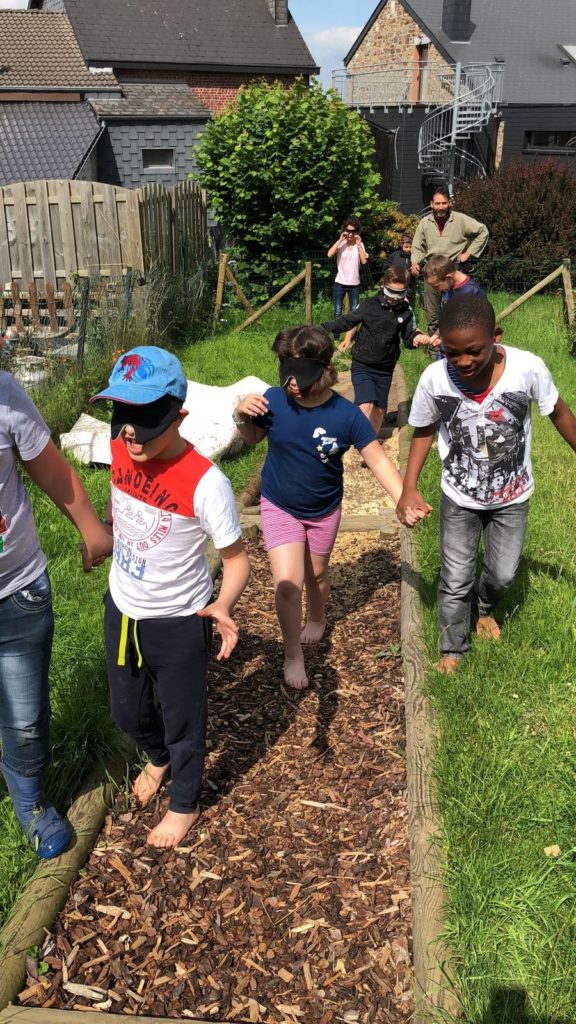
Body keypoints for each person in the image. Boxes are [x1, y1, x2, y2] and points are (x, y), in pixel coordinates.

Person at [90, 347, 250, 850]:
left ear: (179, 416)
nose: (130, 432)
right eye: (122, 415)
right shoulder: (122, 446)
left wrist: (222, 605)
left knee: (184, 719)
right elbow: (119, 499)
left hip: (179, 619)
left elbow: (238, 559)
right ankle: (157, 757)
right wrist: (106, 532)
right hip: (123, 606)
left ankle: (185, 802)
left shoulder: (206, 483)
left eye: (146, 420)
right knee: (126, 711)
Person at [233, 325, 431, 691]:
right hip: (279, 504)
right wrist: (241, 413)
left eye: (301, 372)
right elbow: (252, 436)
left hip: (323, 509)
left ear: (325, 370)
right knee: (287, 583)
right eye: (286, 370)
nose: (292, 382)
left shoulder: (346, 415)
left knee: (317, 574)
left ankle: (318, 615)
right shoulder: (274, 400)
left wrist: (403, 497)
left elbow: (377, 459)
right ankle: (292, 654)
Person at [396, 293, 576, 674]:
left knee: (504, 573)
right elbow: (423, 429)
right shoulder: (434, 379)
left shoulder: (527, 369)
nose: (463, 361)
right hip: (459, 496)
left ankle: (486, 606)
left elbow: (558, 412)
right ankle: (453, 648)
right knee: (455, 576)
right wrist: (408, 487)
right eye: (452, 352)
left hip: (512, 495)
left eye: (474, 351)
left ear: (496, 337)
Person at [0, 373, 112, 858]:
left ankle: (29, 799)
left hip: (15, 592)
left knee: (25, 719)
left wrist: (92, 530)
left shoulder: (4, 393)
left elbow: (53, 472)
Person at [321, 267, 429, 436]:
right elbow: (347, 321)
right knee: (366, 406)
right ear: (383, 286)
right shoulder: (368, 305)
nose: (395, 298)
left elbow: (408, 338)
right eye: (391, 292)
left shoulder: (406, 311)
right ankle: (359, 442)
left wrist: (416, 339)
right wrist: (324, 328)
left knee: (378, 412)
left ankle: (370, 442)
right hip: (363, 364)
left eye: (400, 293)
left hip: (385, 368)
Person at [411, 186, 489, 335]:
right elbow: (417, 246)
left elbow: (483, 231)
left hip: (453, 269)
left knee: (455, 311)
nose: (441, 207)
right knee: (432, 314)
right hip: (432, 271)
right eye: (437, 203)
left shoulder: (460, 219)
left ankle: (455, 341)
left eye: (444, 203)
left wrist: (469, 253)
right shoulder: (425, 222)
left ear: (450, 203)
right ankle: (434, 345)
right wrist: (415, 262)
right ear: (431, 204)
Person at [423, 254, 487, 355]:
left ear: (448, 277)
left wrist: (445, 344)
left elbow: (465, 328)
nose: (435, 290)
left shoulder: (469, 293)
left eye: (436, 286)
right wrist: (436, 335)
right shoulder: (451, 286)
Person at [327, 216, 368, 320]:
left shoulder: (360, 245)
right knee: (337, 311)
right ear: (344, 230)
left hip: (354, 284)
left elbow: (364, 261)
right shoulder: (341, 244)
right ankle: (337, 331)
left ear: (357, 232)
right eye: (348, 231)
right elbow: (329, 254)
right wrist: (340, 239)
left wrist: (359, 245)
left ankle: (352, 331)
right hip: (340, 283)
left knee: (354, 312)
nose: (350, 234)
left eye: (353, 231)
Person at [381, 232, 417, 303]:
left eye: (410, 247)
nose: (408, 249)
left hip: (409, 287)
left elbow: (420, 268)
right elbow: (385, 267)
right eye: (406, 247)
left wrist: (417, 271)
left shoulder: (415, 257)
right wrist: (393, 272)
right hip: (394, 286)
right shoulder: (395, 255)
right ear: (402, 245)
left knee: (408, 305)